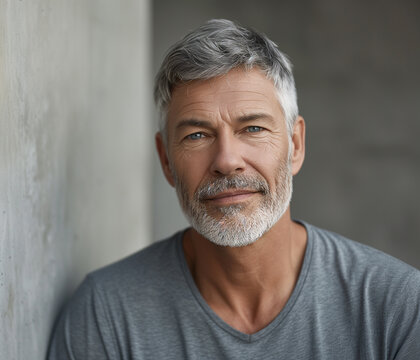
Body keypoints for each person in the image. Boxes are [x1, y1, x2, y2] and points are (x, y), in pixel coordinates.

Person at [49, 19, 420, 359]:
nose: (227, 159)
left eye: (253, 129)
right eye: (197, 135)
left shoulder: (397, 307)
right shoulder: (106, 315)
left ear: (295, 145)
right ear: (166, 161)